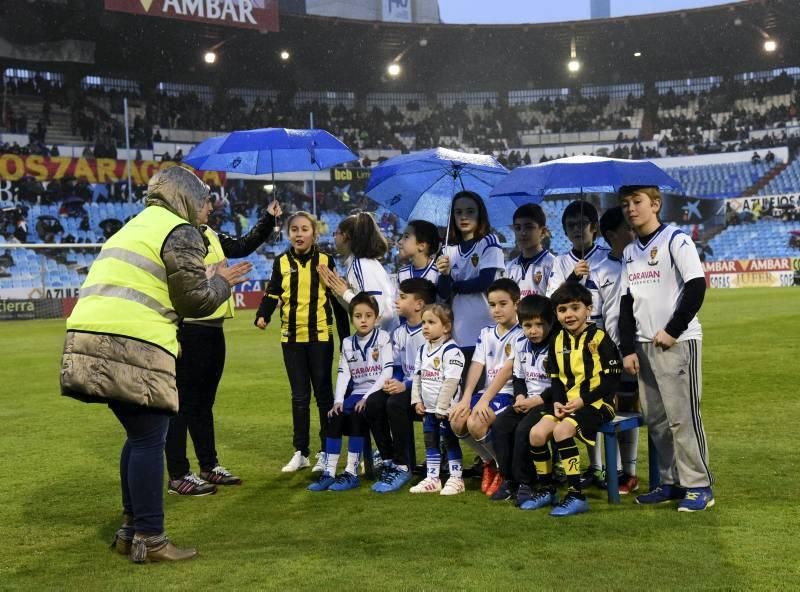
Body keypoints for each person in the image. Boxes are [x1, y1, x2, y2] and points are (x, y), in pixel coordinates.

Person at [59, 166, 251, 562]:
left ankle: (131, 531)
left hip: (86, 338)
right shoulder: (178, 230)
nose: (207, 210)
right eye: (202, 201)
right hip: (134, 342)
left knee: (138, 434)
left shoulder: (133, 226)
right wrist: (223, 283)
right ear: (184, 198)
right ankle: (151, 538)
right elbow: (194, 301)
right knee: (150, 437)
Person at [164, 197, 282, 495]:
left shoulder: (211, 234)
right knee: (181, 405)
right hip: (188, 329)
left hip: (213, 330)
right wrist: (209, 277)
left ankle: (208, 465)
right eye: (204, 203)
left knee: (203, 403)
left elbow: (243, 245)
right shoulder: (179, 239)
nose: (210, 207)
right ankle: (178, 473)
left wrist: (268, 218)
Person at [618, 186, 714, 512]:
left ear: (655, 204)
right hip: (644, 346)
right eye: (625, 204)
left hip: (677, 343)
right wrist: (628, 347)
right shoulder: (631, 252)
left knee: (682, 419)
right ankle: (671, 482)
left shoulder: (676, 240)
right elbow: (627, 302)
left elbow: (696, 286)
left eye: (637, 202)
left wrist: (673, 330)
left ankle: (699, 486)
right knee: (657, 421)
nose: (631, 209)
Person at [255, 211, 350, 474]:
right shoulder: (281, 262)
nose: (299, 234)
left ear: (314, 233)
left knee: (323, 396)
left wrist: (345, 340)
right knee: (299, 397)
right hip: (291, 339)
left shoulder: (325, 261)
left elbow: (337, 302)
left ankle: (326, 452)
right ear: (289, 234)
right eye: (294, 229)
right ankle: (301, 452)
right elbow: (272, 293)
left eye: (304, 229)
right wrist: (263, 314)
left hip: (320, 337)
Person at [527, 282, 621, 517]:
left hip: (599, 403)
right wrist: (558, 402)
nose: (568, 315)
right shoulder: (557, 340)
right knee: (536, 434)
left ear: (588, 309)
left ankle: (576, 494)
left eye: (574, 308)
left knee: (561, 432)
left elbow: (611, 381)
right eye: (562, 310)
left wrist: (583, 400)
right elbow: (556, 378)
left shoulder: (600, 338)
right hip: (568, 403)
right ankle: (547, 489)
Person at [546, 199, 610, 486]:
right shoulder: (560, 262)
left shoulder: (608, 258)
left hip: (601, 338)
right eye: (570, 225)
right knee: (577, 401)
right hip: (572, 344)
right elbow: (552, 302)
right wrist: (574, 277)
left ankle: (614, 469)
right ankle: (592, 468)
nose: (576, 230)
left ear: (593, 227)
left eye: (581, 224)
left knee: (604, 402)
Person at [308, 293, 393, 492]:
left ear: (376, 317)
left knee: (356, 414)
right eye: (358, 316)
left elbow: (387, 371)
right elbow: (343, 373)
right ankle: (328, 473)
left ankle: (351, 472)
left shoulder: (383, 338)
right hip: (356, 394)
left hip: (377, 393)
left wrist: (366, 397)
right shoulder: (347, 343)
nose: (363, 320)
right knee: (334, 415)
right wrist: (338, 401)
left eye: (368, 315)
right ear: (351, 318)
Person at [449, 278, 523, 498]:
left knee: (476, 422)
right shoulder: (486, 333)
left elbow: (507, 371)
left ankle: (504, 468)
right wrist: (466, 397)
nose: (497, 309)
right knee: (457, 419)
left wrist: (484, 400)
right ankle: (490, 462)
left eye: (503, 303)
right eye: (492, 304)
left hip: (508, 394)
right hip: (486, 394)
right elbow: (476, 365)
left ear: (516, 303)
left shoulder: (522, 333)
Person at [368, 278, 437, 493]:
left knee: (396, 404)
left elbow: (429, 372)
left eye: (403, 297)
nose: (397, 300)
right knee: (373, 402)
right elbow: (397, 365)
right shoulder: (399, 332)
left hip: (427, 387)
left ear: (419, 304)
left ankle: (403, 465)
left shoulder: (429, 334)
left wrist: (404, 385)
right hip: (407, 386)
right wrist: (393, 381)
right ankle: (388, 459)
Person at [492, 294, 554, 509]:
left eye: (539, 325)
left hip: (550, 403)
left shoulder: (557, 345)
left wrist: (536, 401)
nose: (533, 331)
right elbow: (518, 376)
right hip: (527, 400)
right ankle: (509, 479)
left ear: (550, 322)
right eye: (528, 325)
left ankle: (527, 483)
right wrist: (519, 397)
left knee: (523, 430)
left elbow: (561, 384)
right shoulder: (519, 343)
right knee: (500, 426)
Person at [596, 206, 640, 495]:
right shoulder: (601, 270)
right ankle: (606, 470)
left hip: (638, 347)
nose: (634, 230)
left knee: (631, 408)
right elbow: (598, 314)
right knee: (608, 410)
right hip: (609, 351)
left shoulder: (642, 262)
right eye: (628, 227)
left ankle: (631, 472)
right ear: (613, 235)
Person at [436, 190, 504, 371]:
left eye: (470, 211)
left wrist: (455, 285)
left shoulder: (489, 241)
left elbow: (485, 282)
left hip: (487, 324)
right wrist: (444, 274)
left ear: (480, 214)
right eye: (458, 212)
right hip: (459, 329)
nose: (464, 217)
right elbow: (442, 293)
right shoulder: (448, 249)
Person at [408, 304, 466, 495]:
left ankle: (456, 479)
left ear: (446, 327)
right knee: (430, 442)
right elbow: (417, 376)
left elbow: (451, 382)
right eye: (424, 322)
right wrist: (417, 400)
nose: (425, 326)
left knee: (449, 441)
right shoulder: (422, 349)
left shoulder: (452, 351)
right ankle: (433, 478)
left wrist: (442, 407)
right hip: (429, 409)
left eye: (431, 322)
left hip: (446, 410)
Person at [317, 211, 398, 331]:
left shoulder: (360, 265)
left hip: (382, 342)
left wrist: (345, 293)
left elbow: (376, 311)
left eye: (336, 233)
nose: (334, 237)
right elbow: (356, 309)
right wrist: (338, 293)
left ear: (344, 236)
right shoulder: (361, 263)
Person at [505, 204, 555, 297]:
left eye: (529, 227)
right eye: (518, 228)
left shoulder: (553, 264)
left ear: (543, 231)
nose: (522, 233)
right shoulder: (510, 268)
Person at [397, 219, 441, 284]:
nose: (400, 242)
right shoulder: (402, 274)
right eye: (402, 237)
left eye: (406, 237)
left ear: (422, 246)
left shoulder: (438, 273)